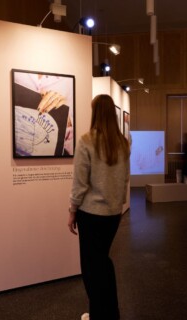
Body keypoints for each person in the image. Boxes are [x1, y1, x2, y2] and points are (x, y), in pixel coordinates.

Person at [68, 94, 130, 320]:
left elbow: (80, 182)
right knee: (103, 262)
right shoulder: (122, 143)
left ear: (95, 112)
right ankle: (109, 313)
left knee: (91, 268)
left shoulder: (86, 141)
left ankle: (100, 315)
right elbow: (124, 179)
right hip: (112, 215)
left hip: (90, 214)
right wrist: (118, 203)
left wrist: (72, 211)